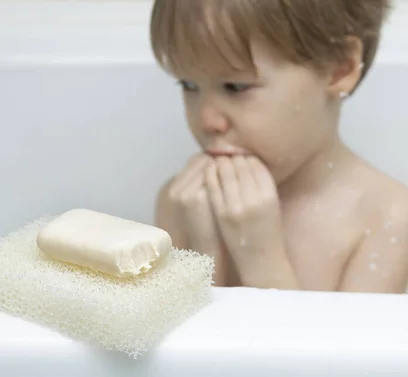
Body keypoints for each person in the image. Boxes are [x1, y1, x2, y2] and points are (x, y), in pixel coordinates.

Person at [151, 0, 408, 293]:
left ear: (340, 68)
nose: (207, 120)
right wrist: (203, 254)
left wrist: (260, 261)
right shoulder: (182, 201)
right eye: (189, 85)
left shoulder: (385, 217)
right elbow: (176, 338)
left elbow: (348, 340)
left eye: (236, 87)